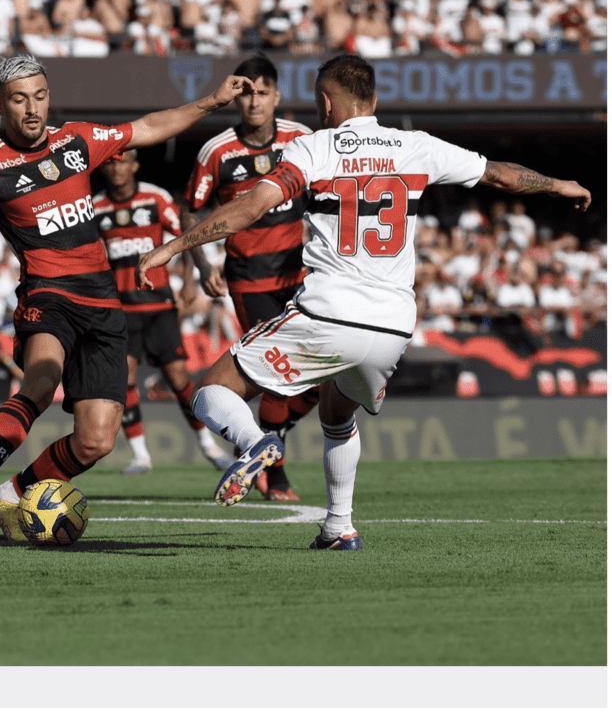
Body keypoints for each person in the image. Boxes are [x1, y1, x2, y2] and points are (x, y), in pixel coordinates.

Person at [138, 54, 590, 550]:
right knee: (337, 414)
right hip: (394, 325)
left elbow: (251, 207)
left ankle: (256, 442)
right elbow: (500, 175)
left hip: (329, 312)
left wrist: (173, 247)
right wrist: (556, 184)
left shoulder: (314, 148)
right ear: (374, 101)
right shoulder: (415, 147)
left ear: (325, 103)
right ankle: (339, 526)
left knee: (212, 391)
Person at [0, 54, 254, 540]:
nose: (32, 109)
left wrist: (211, 102)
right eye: (19, 99)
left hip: (102, 302)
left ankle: (11, 494)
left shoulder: (76, 140)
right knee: (41, 379)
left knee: (96, 442)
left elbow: (148, 127)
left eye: (39, 96)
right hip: (46, 295)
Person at [181, 55, 315, 502]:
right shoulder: (217, 151)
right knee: (278, 373)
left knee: (320, 377)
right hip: (249, 280)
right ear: (237, 97)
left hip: (301, 277)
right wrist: (203, 266)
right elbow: (191, 209)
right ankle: (273, 474)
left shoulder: (304, 140)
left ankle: (261, 437)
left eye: (263, 92)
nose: (254, 102)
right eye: (247, 93)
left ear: (277, 96)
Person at [94, 150, 233, 475]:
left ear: (135, 165)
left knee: (178, 379)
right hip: (122, 311)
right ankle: (141, 456)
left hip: (160, 307)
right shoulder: (95, 206)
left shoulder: (154, 199)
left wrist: (191, 276)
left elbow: (186, 234)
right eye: (111, 162)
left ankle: (208, 446)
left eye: (123, 161)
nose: (117, 168)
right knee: (124, 380)